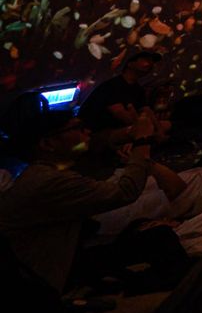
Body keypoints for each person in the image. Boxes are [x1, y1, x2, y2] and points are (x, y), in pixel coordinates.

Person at [0, 99, 156, 291]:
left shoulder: (48, 170)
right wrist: (142, 140)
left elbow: (97, 141)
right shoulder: (50, 181)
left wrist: (129, 132)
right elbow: (125, 191)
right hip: (38, 286)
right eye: (78, 128)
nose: (87, 132)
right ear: (48, 143)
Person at [80, 48, 163, 145]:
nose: (150, 64)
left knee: (164, 125)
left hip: (120, 128)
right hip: (95, 132)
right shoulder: (112, 85)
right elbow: (120, 114)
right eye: (146, 60)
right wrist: (144, 128)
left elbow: (146, 110)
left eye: (152, 62)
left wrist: (159, 130)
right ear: (130, 64)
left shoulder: (138, 89)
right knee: (143, 130)